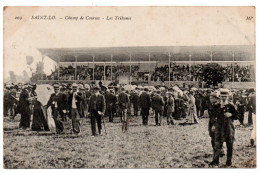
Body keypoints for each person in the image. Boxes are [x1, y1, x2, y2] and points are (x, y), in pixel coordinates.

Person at [210, 89, 238, 167]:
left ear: (228, 96)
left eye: (225, 96)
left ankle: (228, 161)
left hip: (228, 127)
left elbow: (237, 116)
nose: (224, 98)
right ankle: (215, 161)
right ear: (220, 97)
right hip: (219, 127)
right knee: (217, 144)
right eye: (222, 96)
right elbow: (212, 115)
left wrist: (231, 115)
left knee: (229, 144)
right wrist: (220, 108)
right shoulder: (217, 105)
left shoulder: (231, 105)